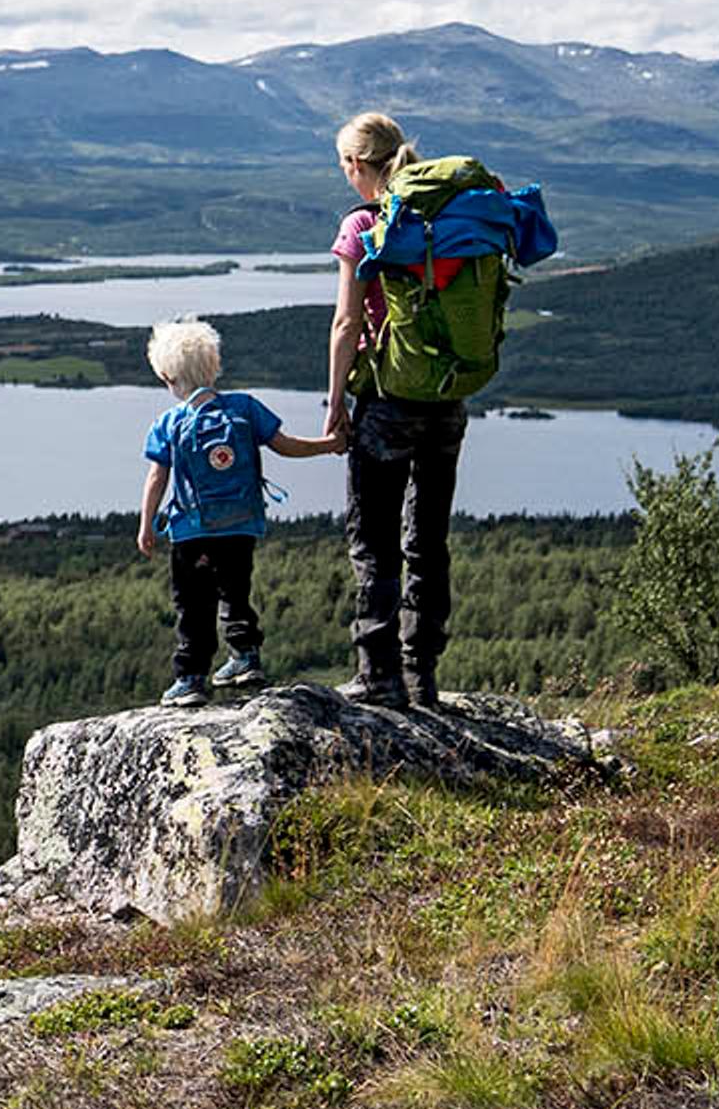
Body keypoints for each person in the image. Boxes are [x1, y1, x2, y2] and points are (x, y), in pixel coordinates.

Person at [324, 109, 506, 711]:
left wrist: (335, 403)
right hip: (448, 398)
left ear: (356, 165)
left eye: (345, 165)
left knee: (373, 538)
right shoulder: (448, 216)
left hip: (387, 402)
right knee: (428, 538)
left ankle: (379, 675)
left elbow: (349, 321)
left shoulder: (363, 225)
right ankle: (421, 673)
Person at [136, 318, 343, 706]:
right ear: (214, 367)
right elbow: (285, 445)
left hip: (191, 532)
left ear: (167, 377)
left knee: (193, 604)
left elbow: (156, 478)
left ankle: (191, 677)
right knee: (235, 592)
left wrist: (146, 525)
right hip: (241, 525)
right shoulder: (244, 408)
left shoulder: (168, 423)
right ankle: (246, 657)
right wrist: (328, 445)